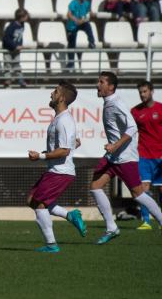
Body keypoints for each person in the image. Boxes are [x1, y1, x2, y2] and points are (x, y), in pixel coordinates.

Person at [90, 72, 162, 244]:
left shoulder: (116, 103)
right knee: (95, 186)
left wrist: (115, 145)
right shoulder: (109, 102)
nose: (97, 85)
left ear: (111, 87)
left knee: (138, 193)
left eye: (101, 82)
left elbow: (131, 128)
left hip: (124, 157)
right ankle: (112, 228)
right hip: (113, 157)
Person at [26, 82, 88, 253]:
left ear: (61, 97)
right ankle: (70, 215)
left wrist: (40, 156)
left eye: (55, 91)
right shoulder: (58, 119)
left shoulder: (65, 120)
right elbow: (65, 147)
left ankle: (51, 245)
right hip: (54, 170)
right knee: (31, 200)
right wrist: (43, 154)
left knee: (40, 204)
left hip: (61, 172)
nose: (51, 94)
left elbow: (64, 150)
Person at [130, 81, 162, 230]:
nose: (142, 95)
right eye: (140, 92)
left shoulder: (160, 109)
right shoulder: (135, 112)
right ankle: (146, 221)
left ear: (151, 91)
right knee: (143, 188)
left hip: (160, 155)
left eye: (145, 91)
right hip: (143, 155)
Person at [65, 0, 96, 69]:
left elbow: (89, 11)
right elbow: (69, 14)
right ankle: (71, 62)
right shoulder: (73, 3)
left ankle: (92, 42)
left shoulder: (87, 2)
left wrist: (92, 13)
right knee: (71, 44)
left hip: (82, 22)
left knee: (88, 26)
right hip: (72, 25)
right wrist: (75, 20)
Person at [1, 9, 29, 88]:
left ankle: (20, 80)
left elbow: (19, 37)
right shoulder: (11, 26)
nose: (27, 17)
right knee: (7, 64)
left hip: (16, 50)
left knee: (17, 65)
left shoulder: (22, 25)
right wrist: (15, 46)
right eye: (26, 16)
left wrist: (20, 45)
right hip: (8, 49)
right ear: (21, 17)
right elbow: (6, 38)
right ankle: (7, 80)